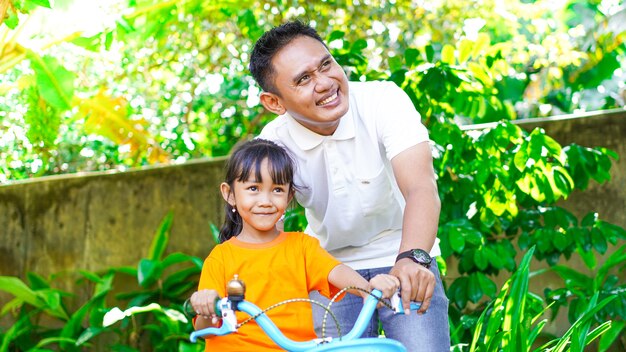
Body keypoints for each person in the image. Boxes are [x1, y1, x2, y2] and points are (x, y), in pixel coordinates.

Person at [250, 21, 450, 351]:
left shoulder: (382, 100)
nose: (325, 83)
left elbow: (421, 188)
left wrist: (414, 259)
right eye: (303, 79)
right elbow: (263, 227)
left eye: (326, 64)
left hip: (404, 254)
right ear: (274, 102)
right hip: (331, 272)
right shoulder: (273, 143)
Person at [189, 139, 401, 351]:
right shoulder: (221, 257)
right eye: (253, 188)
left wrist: (369, 289)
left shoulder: (302, 247)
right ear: (230, 194)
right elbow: (204, 328)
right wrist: (208, 306)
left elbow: (336, 271)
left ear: (290, 195)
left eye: (277, 190)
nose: (266, 200)